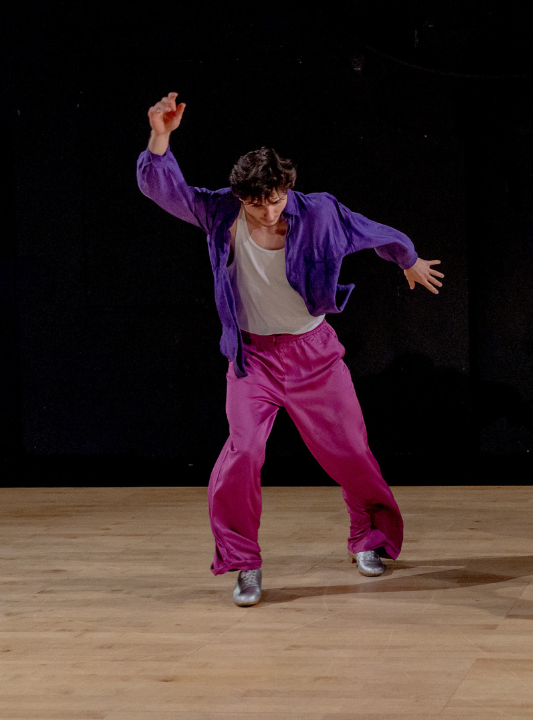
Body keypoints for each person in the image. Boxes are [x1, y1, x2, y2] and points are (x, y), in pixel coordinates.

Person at [137, 93, 444, 605]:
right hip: (252, 360)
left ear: (287, 189)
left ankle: (369, 537)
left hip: (313, 355)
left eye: (276, 200)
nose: (268, 211)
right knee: (242, 453)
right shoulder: (219, 211)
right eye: (257, 203)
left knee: (351, 450)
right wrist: (160, 136)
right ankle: (244, 562)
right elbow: (163, 188)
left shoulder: (320, 212)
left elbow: (374, 232)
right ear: (240, 196)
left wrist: (407, 258)